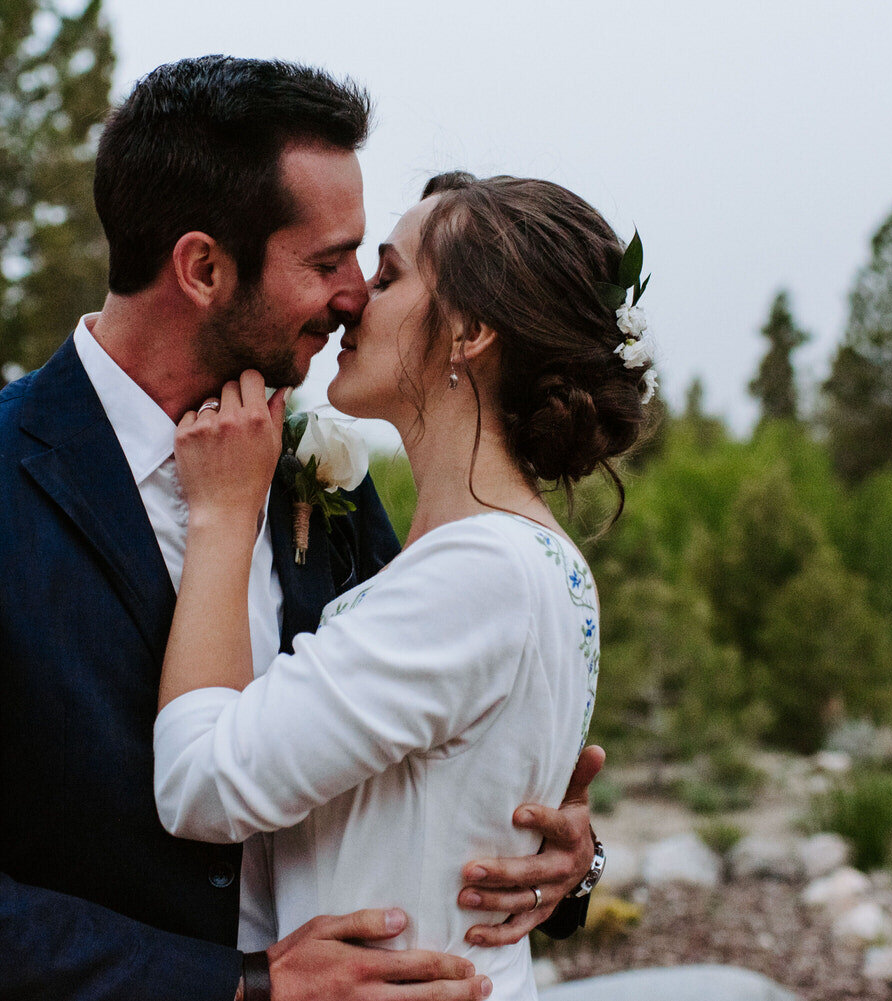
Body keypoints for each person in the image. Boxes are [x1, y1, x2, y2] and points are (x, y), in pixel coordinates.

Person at [0, 58, 604, 1001]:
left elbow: (413, 751)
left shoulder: (323, 479)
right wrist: (242, 985)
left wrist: (562, 856)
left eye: (365, 261)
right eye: (325, 261)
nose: (353, 293)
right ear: (202, 268)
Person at [153, 170, 653, 999]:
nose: (354, 300)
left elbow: (201, 782)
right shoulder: (537, 558)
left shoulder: (480, 571)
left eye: (388, 275)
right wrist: (577, 854)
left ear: (470, 331)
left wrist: (222, 518)